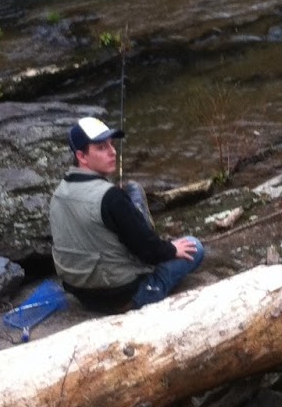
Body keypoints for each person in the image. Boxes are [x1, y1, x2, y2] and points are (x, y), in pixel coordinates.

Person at [49, 115, 204, 312]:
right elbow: (150, 253)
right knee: (195, 246)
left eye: (111, 144)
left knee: (128, 203)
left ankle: (137, 214)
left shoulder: (58, 194)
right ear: (81, 156)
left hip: (80, 294)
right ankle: (139, 217)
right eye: (101, 147)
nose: (112, 152)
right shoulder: (111, 198)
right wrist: (172, 249)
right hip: (124, 295)